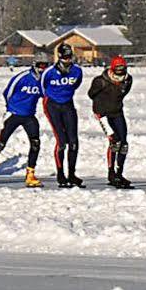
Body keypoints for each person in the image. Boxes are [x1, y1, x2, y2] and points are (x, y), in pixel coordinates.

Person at [0, 54, 47, 188]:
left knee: (35, 143)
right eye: (40, 66)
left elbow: (46, 95)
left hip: (29, 116)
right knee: (0, 144)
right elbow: (7, 92)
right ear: (34, 65)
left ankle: (30, 174)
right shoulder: (22, 77)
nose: (42, 69)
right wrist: (10, 108)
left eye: (45, 66)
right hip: (13, 114)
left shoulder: (44, 81)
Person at [89, 54, 134, 188]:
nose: (120, 74)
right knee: (115, 141)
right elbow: (91, 94)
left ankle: (119, 173)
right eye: (117, 69)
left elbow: (123, 94)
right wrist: (100, 108)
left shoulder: (128, 80)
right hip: (103, 114)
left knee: (124, 144)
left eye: (122, 69)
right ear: (112, 69)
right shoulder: (100, 81)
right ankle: (111, 173)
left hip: (117, 112)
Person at [44, 42, 85, 187]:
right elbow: (43, 87)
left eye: (70, 57)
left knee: (73, 141)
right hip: (52, 106)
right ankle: (60, 173)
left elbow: (76, 84)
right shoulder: (49, 72)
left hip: (68, 105)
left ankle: (72, 174)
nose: (68, 60)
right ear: (60, 57)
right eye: (65, 57)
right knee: (62, 142)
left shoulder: (77, 71)